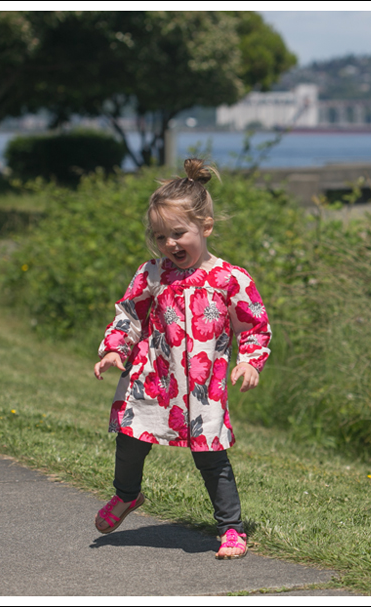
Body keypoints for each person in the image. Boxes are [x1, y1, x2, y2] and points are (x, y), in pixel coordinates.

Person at [93, 158, 271, 559]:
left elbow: (254, 325)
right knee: (130, 441)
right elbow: (129, 316)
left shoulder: (230, 279)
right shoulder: (152, 275)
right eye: (160, 237)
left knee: (211, 457)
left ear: (204, 227)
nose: (170, 245)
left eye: (178, 234)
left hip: (202, 388)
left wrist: (250, 361)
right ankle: (127, 495)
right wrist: (113, 349)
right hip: (150, 380)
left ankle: (231, 529)